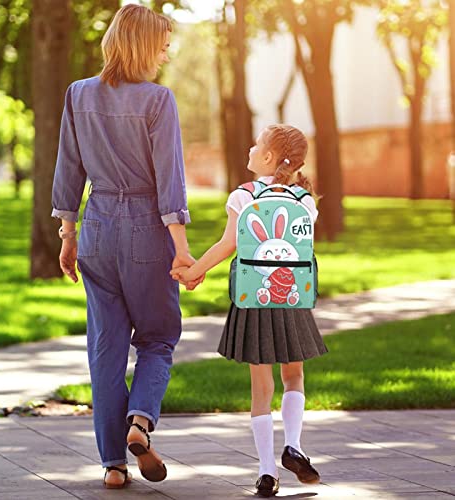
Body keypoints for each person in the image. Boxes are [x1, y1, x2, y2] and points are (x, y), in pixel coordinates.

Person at [51, 4, 202, 490]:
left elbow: (68, 170)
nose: (165, 52)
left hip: (95, 228)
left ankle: (113, 464)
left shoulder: (78, 94)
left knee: (106, 348)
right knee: (158, 338)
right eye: (161, 44)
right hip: (146, 230)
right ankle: (140, 422)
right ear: (140, 45)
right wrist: (181, 249)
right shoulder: (159, 100)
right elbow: (169, 182)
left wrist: (68, 235)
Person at [171, 124, 328, 497]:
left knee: (261, 388)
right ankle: (295, 445)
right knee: (294, 377)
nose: (250, 147)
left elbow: (228, 244)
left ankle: (266, 471)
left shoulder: (244, 196)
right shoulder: (304, 199)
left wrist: (193, 272)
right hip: (292, 298)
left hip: (253, 298)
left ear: (269, 157)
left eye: (257, 144)